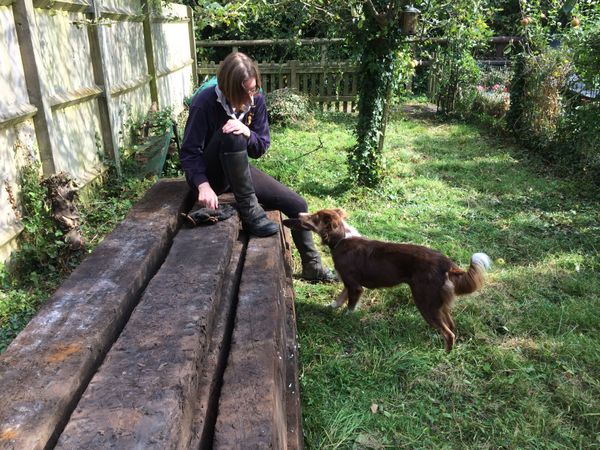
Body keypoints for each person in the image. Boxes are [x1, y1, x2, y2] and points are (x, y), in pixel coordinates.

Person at [179, 51, 335, 282]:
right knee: (230, 133)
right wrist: (202, 186)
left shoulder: (257, 100)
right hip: (209, 177)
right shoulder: (204, 103)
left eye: (254, 89)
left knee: (297, 203)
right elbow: (190, 153)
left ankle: (312, 266)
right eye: (246, 92)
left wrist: (248, 132)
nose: (252, 98)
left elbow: (260, 147)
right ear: (229, 89)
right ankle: (250, 212)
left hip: (237, 172)